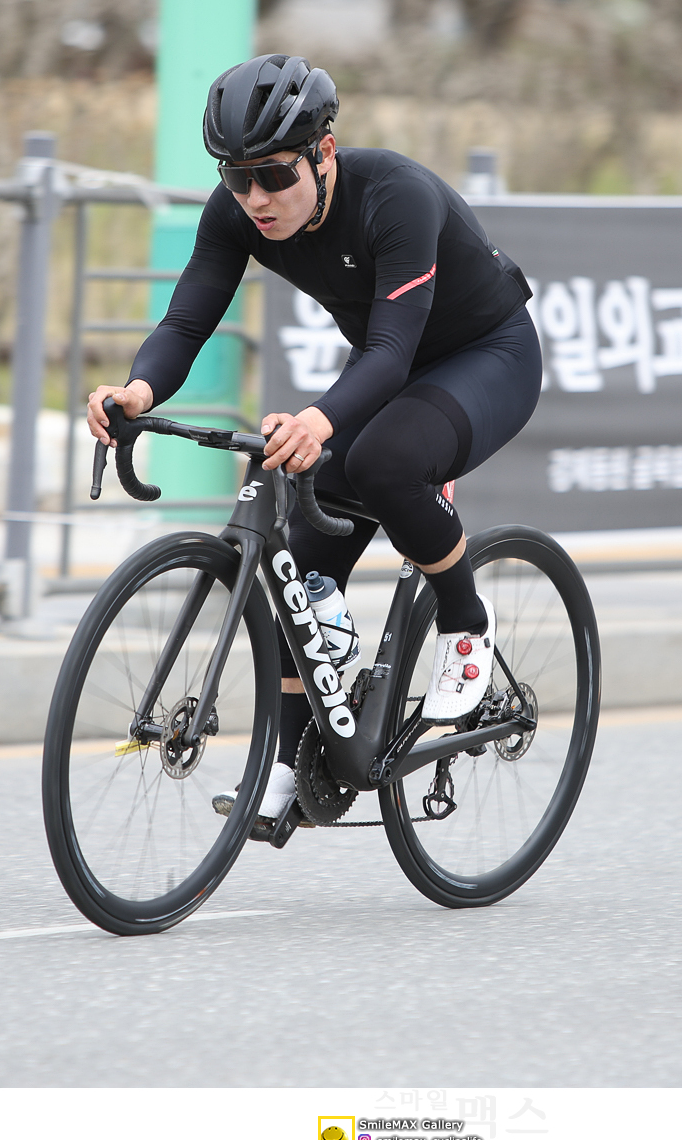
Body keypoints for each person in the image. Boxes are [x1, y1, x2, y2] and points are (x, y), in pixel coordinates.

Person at [86, 54, 542, 837]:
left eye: (274, 175)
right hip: (388, 365)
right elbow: (188, 320)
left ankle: (466, 623)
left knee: (383, 461)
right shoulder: (237, 212)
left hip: (485, 356)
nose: (256, 199)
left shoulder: (395, 196)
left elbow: (392, 353)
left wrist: (319, 422)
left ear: (323, 152)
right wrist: (138, 391)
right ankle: (292, 768)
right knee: (299, 564)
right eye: (238, 178)